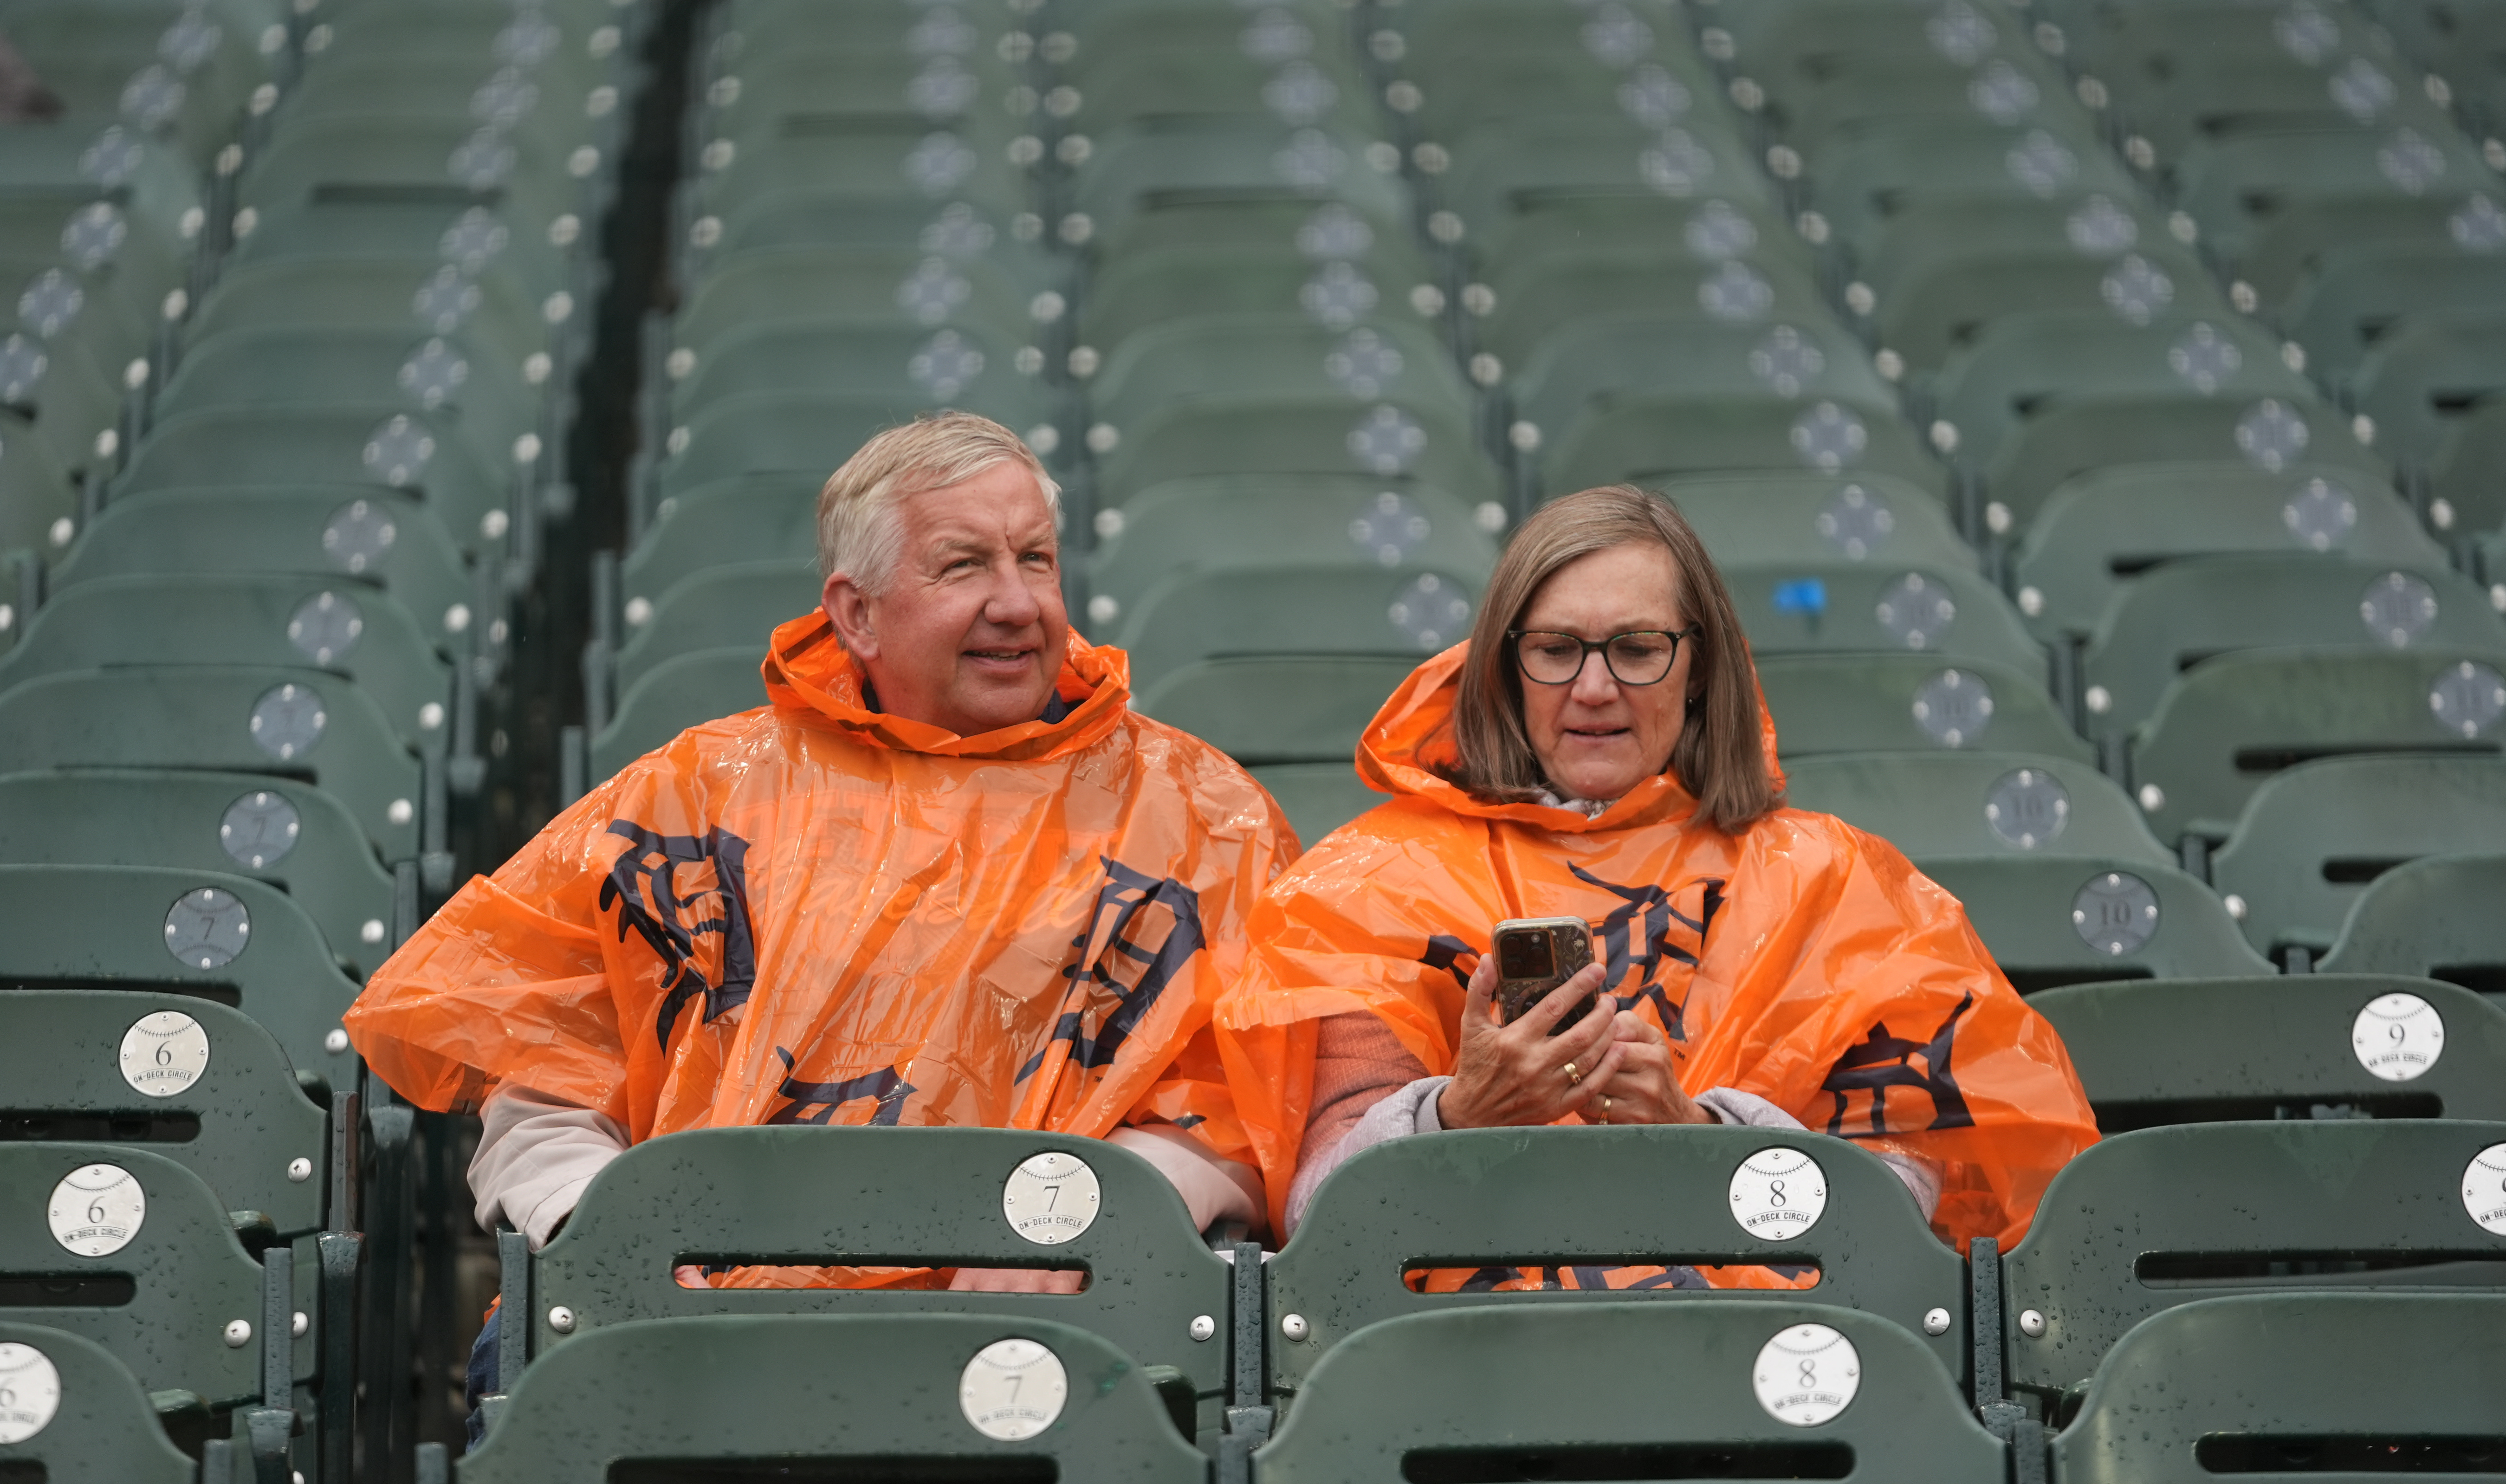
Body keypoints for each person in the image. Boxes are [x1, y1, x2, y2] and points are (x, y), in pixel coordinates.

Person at [343, 414, 1294, 1427]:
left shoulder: (1196, 811)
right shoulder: (697, 795)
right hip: (684, 1312)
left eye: (1036, 560)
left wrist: (1093, 1218)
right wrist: (603, 1228)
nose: (1016, 603)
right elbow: (542, 1088)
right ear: (858, 614)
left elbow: (1251, 1098)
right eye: (964, 565)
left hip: (1060, 1307)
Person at [1215, 485, 2096, 1268]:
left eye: (1637, 648)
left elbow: (1906, 1219)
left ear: (1701, 666)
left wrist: (1700, 1139)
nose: (1595, 688)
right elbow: (1320, 1214)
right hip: (1467, 1362)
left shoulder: (1836, 883)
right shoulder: (1364, 887)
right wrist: (1457, 1114)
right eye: (1557, 648)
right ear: (1504, 666)